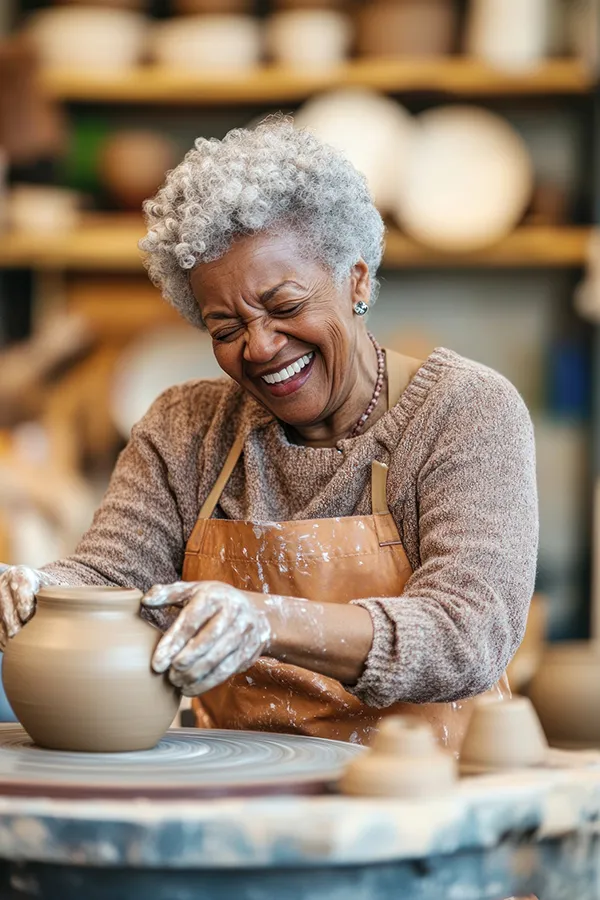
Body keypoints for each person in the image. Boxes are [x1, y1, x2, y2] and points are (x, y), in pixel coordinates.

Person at [0, 118, 538, 751]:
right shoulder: (185, 428)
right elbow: (109, 576)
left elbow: (466, 634)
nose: (260, 347)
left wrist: (266, 620)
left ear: (357, 280)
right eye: (225, 328)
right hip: (235, 795)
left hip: (416, 795)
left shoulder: (464, 412)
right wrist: (38, 589)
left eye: (284, 307)